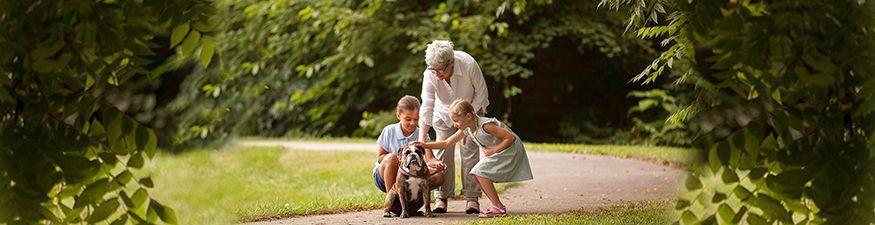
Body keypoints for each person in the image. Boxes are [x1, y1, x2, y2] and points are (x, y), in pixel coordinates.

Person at [414, 99, 533, 218]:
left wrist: (493, 151)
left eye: (456, 121)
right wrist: (424, 145)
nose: (455, 124)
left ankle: (498, 207)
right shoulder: (467, 129)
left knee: (479, 172)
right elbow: (446, 143)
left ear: (468, 116)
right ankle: (497, 206)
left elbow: (510, 138)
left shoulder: (486, 125)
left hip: (510, 150)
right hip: (498, 150)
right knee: (477, 173)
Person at [419, 40, 490, 214]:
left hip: (470, 112)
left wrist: (467, 122)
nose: (436, 74)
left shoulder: (468, 63)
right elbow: (427, 105)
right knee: (442, 155)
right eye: (432, 70)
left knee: (469, 153)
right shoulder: (430, 73)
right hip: (443, 114)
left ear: (451, 63)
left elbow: (481, 94)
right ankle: (441, 197)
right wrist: (422, 139)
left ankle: (472, 198)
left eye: (439, 70)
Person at [374, 95, 445, 194]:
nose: (412, 123)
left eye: (416, 119)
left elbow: (430, 158)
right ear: (398, 116)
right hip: (386, 176)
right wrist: (398, 159)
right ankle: (392, 197)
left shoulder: (422, 134)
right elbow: (380, 157)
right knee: (391, 157)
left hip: (411, 176)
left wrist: (437, 163)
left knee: (439, 176)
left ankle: (414, 201)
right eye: (408, 119)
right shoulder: (389, 131)